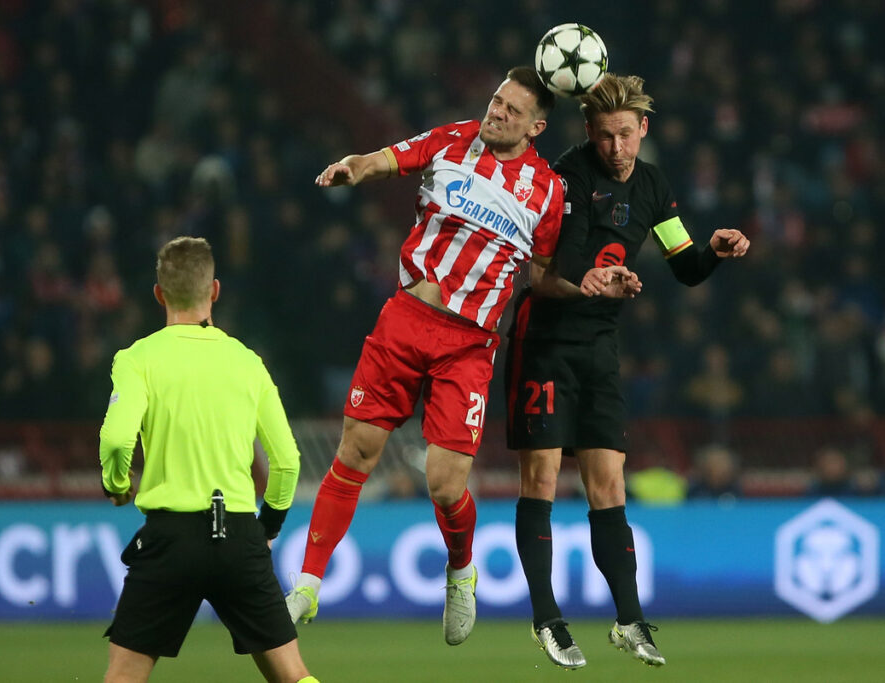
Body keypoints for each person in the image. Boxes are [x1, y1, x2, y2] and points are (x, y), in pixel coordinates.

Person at [284, 66, 629, 645]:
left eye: (511, 111)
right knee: (355, 454)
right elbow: (387, 158)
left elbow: (542, 277)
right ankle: (307, 584)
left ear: (536, 127)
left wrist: (588, 283)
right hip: (405, 321)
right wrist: (354, 167)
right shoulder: (453, 140)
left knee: (445, 485)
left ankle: (461, 568)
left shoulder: (546, 193)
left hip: (470, 345)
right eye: (496, 102)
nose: (496, 114)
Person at [504, 73, 749, 670]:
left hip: (599, 348)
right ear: (589, 131)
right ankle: (547, 619)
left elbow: (684, 265)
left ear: (643, 129)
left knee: (609, 485)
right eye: (605, 135)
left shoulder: (655, 187)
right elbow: (542, 264)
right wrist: (585, 279)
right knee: (541, 477)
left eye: (625, 135)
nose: (616, 148)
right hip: (544, 342)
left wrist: (713, 252)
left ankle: (629, 619)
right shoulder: (564, 177)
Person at [99, 237, 316, 683]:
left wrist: (117, 483)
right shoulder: (247, 361)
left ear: (158, 294)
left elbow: (118, 437)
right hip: (238, 534)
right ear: (214, 291)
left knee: (123, 678)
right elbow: (288, 461)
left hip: (169, 538)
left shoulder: (137, 358)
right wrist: (267, 529)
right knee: (292, 676)